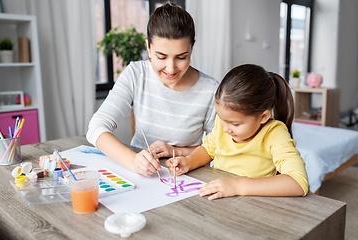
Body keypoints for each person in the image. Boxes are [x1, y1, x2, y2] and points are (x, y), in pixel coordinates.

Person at [86, 2, 218, 177]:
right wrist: (133, 161)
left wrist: (176, 150)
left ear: (191, 49)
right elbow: (96, 128)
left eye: (181, 57)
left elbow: (218, 147)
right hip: (140, 177)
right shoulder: (136, 74)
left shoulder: (210, 90)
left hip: (186, 180)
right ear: (148, 48)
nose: (171, 69)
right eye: (161, 56)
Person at [165, 64, 309, 200]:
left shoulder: (274, 133)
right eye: (221, 118)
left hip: (253, 203)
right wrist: (189, 161)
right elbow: (208, 149)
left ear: (263, 117)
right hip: (219, 197)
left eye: (235, 123)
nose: (226, 128)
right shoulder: (223, 125)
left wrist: (237, 186)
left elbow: (298, 182)